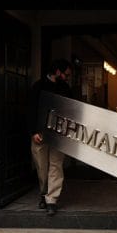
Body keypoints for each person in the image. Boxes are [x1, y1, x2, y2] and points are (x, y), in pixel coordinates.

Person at [28, 59, 73, 217]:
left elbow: (70, 110)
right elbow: (31, 109)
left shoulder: (65, 89)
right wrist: (33, 131)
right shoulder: (38, 86)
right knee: (42, 166)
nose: (67, 77)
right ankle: (44, 193)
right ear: (58, 71)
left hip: (59, 134)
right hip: (40, 133)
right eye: (66, 74)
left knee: (56, 165)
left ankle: (51, 200)